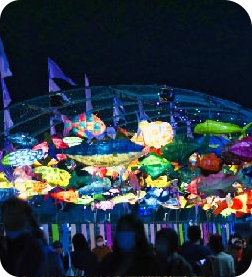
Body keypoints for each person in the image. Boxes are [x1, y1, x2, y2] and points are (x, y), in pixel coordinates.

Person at [1, 197, 65, 276]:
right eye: (8, 214)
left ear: (25, 217)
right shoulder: (46, 252)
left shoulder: (46, 253)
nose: (11, 218)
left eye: (14, 214)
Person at [94, 213, 161, 275]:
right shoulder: (108, 261)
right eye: (121, 230)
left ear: (138, 234)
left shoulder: (149, 264)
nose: (124, 235)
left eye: (128, 230)